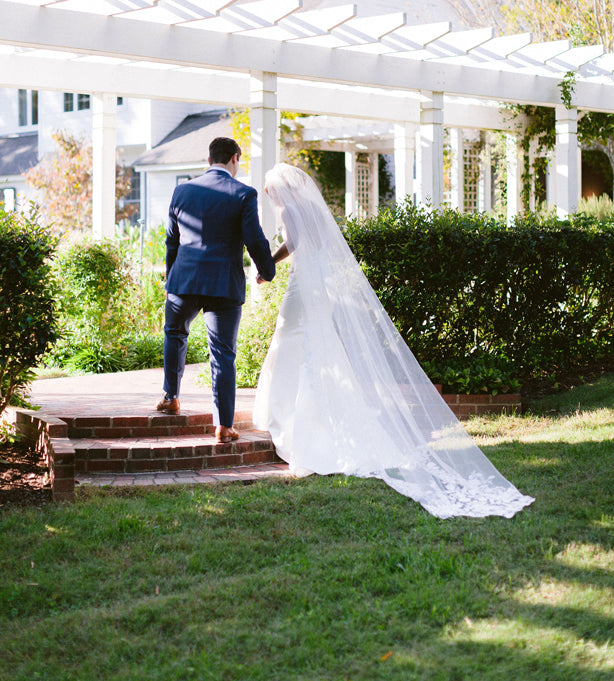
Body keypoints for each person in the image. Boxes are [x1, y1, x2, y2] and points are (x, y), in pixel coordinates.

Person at [253, 163, 534, 519]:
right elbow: (320, 244)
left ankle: (294, 418)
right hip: (317, 290)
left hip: (300, 288)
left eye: (270, 189)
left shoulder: (290, 209)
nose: (269, 194)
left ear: (281, 188)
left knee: (289, 339)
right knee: (314, 348)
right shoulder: (311, 208)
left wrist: (269, 264)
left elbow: (294, 244)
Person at [158, 137, 276, 443]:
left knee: (175, 334)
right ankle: (224, 425)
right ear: (235, 158)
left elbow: (172, 241)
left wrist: (171, 278)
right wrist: (266, 270)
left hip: (183, 281)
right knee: (222, 353)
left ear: (209, 159)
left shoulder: (182, 190)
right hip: (223, 283)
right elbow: (255, 239)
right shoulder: (243, 193)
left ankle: (170, 397)